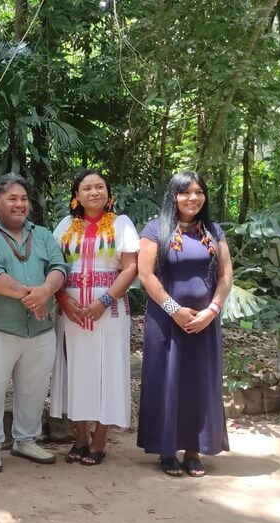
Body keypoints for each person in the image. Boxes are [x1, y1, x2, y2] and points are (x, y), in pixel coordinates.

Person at [137, 171, 233, 477]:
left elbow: (225, 275)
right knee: (166, 380)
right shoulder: (156, 229)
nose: (193, 198)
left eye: (198, 192)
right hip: (166, 321)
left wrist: (212, 311)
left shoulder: (213, 230)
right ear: (173, 196)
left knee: (199, 383)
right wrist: (173, 309)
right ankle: (166, 450)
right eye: (185, 192)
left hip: (205, 324)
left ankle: (193, 451)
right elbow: (146, 275)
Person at [0, 174, 68, 472]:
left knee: (35, 387)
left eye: (24, 198)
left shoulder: (42, 234)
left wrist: (46, 290)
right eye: (12, 198)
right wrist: (34, 297)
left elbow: (59, 266)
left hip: (40, 330)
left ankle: (25, 440)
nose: (20, 204)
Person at [50, 170, 139, 466]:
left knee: (108, 370)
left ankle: (100, 438)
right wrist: (63, 299)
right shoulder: (65, 226)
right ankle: (80, 437)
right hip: (71, 312)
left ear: (108, 193)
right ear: (76, 196)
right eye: (86, 188)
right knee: (77, 371)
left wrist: (104, 300)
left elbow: (130, 268)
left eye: (100, 186)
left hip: (110, 312)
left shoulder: (121, 224)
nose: (94, 192)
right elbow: (53, 266)